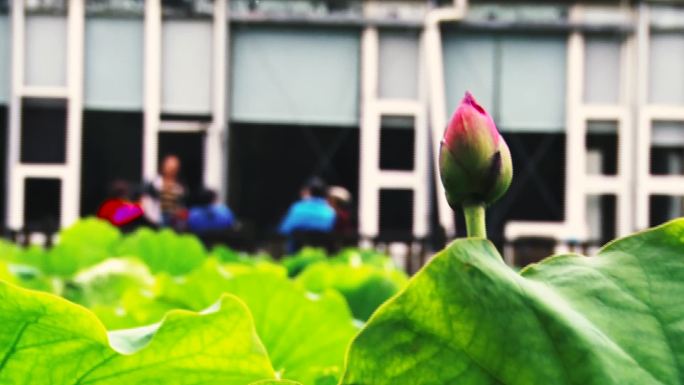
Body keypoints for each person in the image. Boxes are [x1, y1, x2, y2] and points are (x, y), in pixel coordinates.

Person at [141, 155, 187, 229]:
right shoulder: (153, 184)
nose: (172, 169)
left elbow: (181, 209)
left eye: (174, 167)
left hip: (172, 227)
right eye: (169, 166)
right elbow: (145, 203)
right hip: (151, 224)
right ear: (163, 167)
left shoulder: (179, 189)